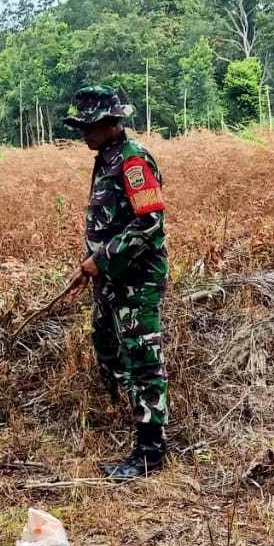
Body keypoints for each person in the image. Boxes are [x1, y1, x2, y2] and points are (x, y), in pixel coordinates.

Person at [64, 86, 170, 480]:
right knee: (105, 342)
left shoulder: (132, 162)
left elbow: (150, 222)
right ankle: (126, 412)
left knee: (143, 360)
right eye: (80, 125)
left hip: (136, 280)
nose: (83, 133)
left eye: (89, 125)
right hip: (110, 279)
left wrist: (101, 258)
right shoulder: (105, 159)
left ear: (112, 123)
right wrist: (93, 265)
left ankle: (150, 451)